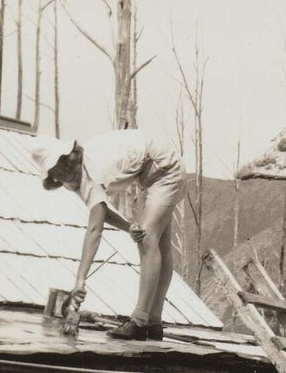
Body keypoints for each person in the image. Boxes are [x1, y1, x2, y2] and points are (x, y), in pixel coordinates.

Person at [31, 131, 186, 341]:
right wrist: (129, 226)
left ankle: (140, 321)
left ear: (69, 159)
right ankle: (153, 323)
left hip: (165, 168)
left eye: (61, 169)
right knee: (156, 242)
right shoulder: (77, 177)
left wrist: (80, 281)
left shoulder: (91, 169)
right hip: (153, 175)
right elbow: (102, 212)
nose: (63, 177)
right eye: (56, 176)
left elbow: (95, 229)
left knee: (148, 238)